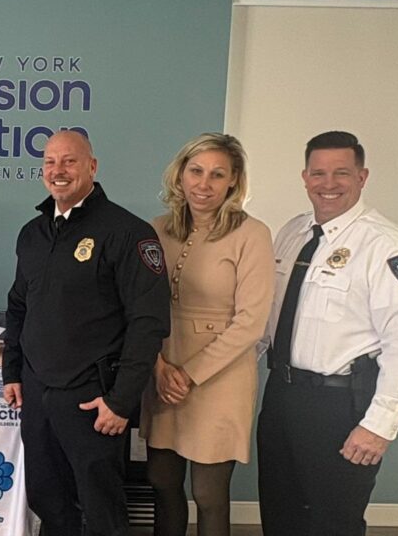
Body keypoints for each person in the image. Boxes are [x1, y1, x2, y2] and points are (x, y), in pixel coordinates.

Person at [3, 130, 171, 536]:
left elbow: (148, 323)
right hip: (38, 392)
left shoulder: (128, 233)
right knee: (46, 497)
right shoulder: (33, 233)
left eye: (70, 161)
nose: (58, 171)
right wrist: (12, 372)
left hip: (94, 399)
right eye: (50, 162)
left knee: (101, 507)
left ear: (92, 167)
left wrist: (121, 400)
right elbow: (19, 306)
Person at [256, 131, 398, 536]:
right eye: (318, 173)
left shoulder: (386, 245)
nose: (328, 184)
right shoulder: (292, 234)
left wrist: (380, 425)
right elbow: (269, 320)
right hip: (281, 395)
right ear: (305, 177)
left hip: (341, 405)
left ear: (362, 177)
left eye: (341, 173)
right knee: (279, 513)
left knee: (334, 522)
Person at [139, 133, 274, 535]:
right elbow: (138, 305)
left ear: (234, 181)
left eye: (218, 174)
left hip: (221, 374)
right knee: (162, 482)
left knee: (209, 493)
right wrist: (159, 367)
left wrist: (189, 374)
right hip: (161, 365)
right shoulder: (155, 229)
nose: (204, 183)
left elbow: (251, 320)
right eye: (196, 171)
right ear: (180, 174)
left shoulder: (253, 234)